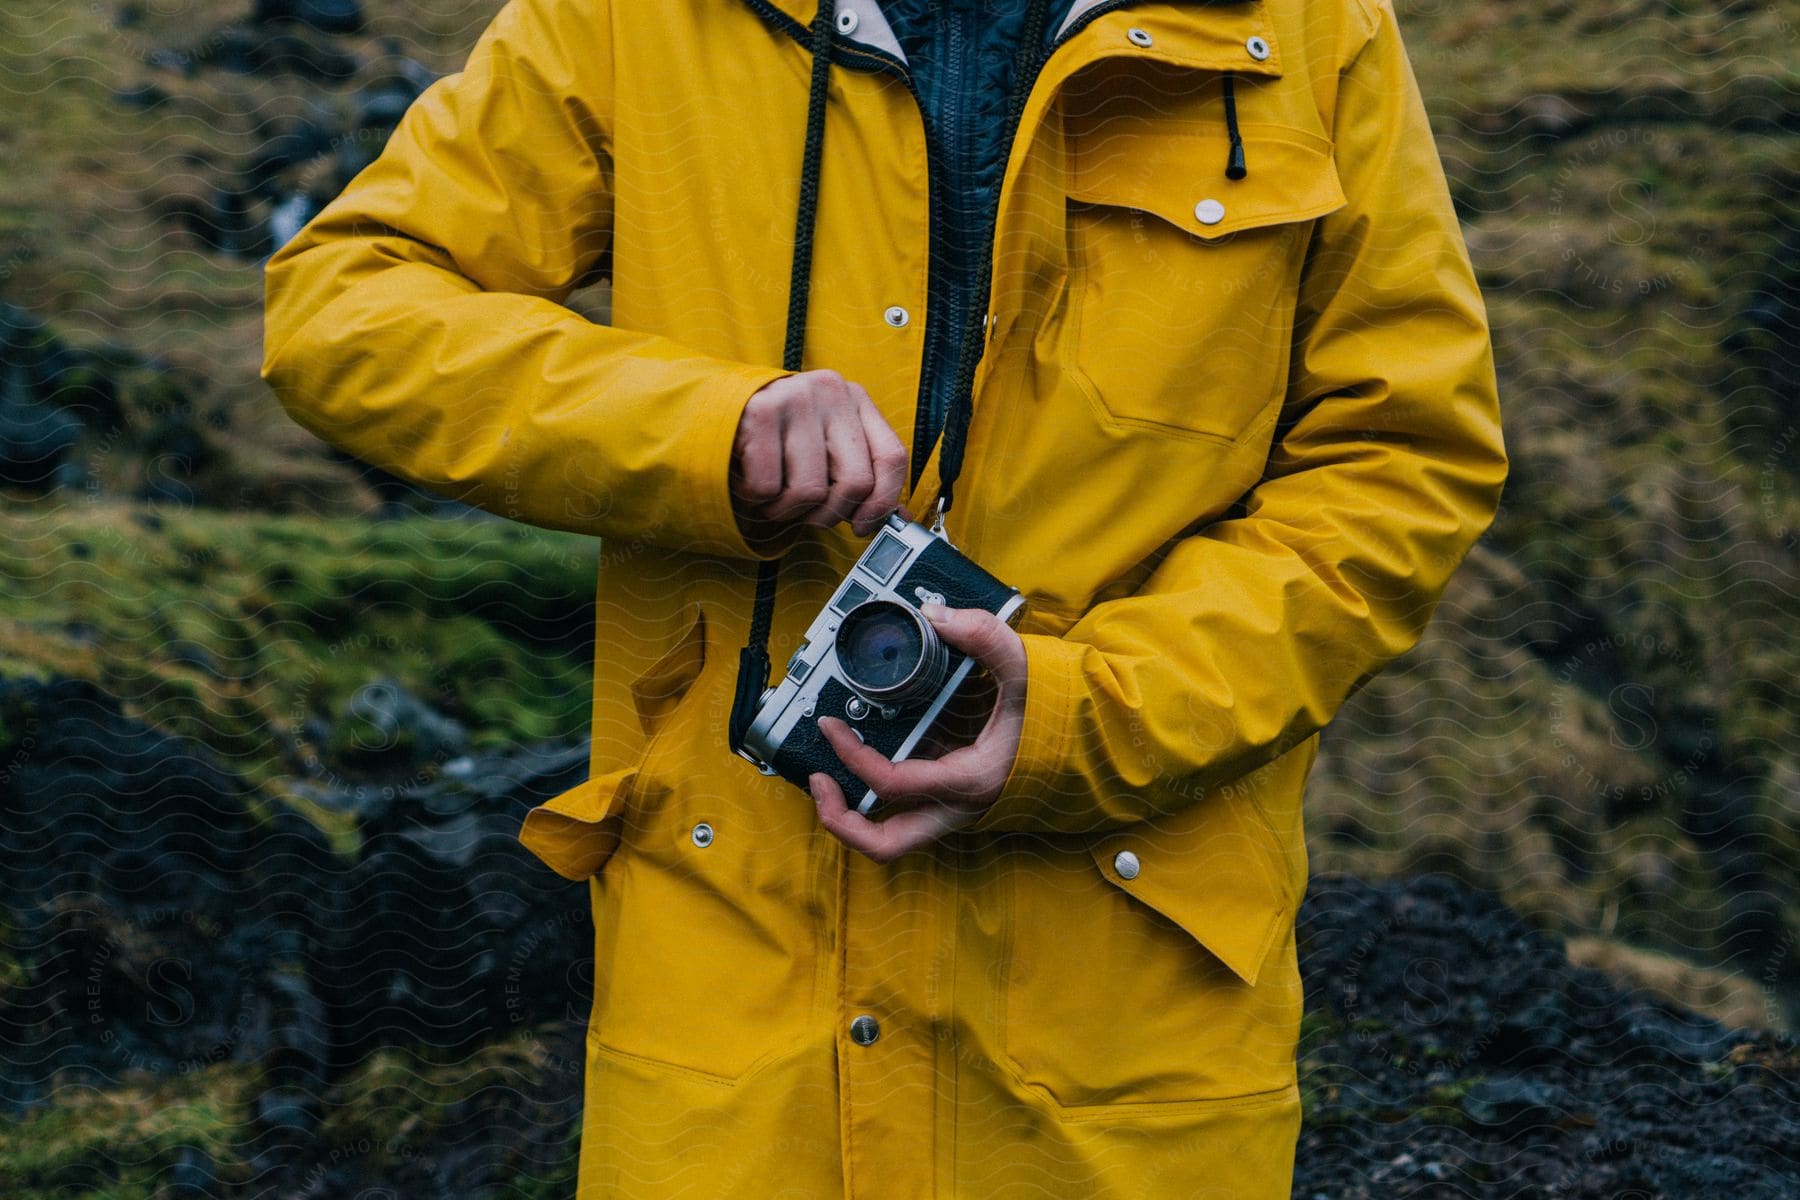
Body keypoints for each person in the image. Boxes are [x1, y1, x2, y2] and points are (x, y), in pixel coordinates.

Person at [262, 0, 1507, 1193]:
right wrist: (706, 431)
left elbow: (1402, 459)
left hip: (1119, 1025)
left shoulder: (1309, 28)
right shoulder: (636, 16)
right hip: (732, 997)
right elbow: (343, 308)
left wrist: (1099, 712)